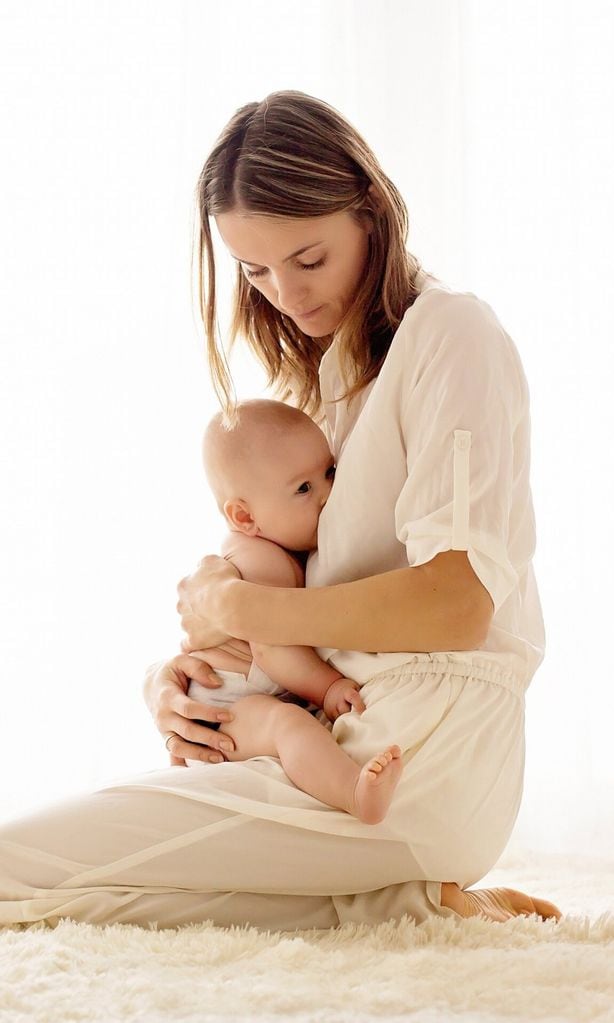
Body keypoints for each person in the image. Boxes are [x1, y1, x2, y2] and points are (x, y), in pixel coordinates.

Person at [0, 90, 561, 930]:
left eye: (307, 258)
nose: (286, 296)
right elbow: (301, 619)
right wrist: (183, 685)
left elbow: (459, 602)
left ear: (371, 212)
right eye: (256, 271)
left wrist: (250, 606)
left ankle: (402, 878)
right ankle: (410, 902)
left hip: (421, 749)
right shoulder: (329, 394)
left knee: (16, 863)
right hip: (337, 744)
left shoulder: (451, 332)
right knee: (101, 904)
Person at [185, 397, 403, 825]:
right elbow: (271, 647)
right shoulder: (259, 561)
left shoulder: (279, 547)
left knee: (293, 724)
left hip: (247, 696)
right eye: (304, 489)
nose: (327, 495)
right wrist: (327, 687)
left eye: (330, 473)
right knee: (289, 726)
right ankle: (356, 796)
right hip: (225, 706)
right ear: (245, 516)